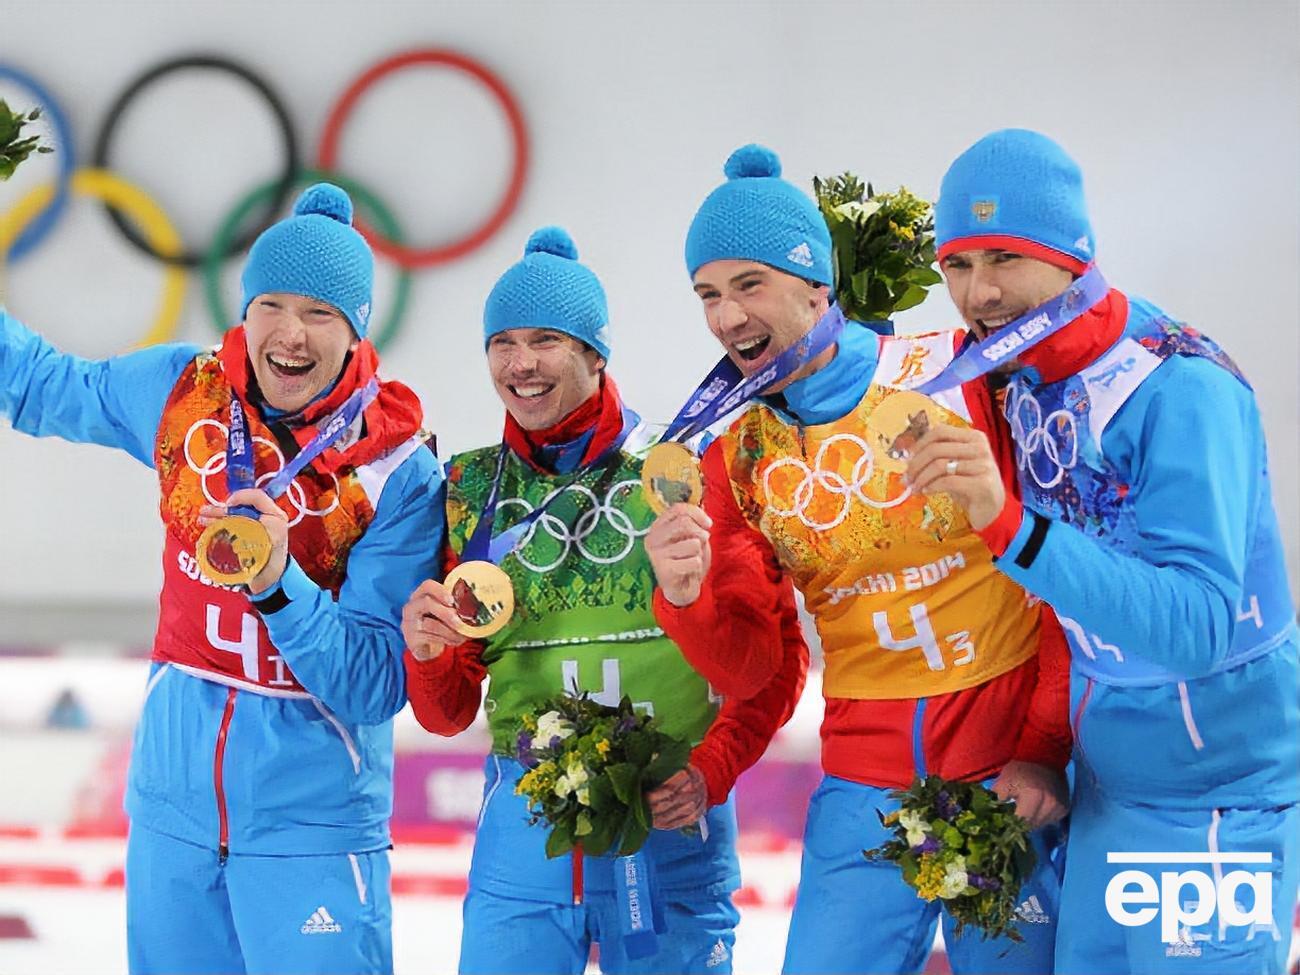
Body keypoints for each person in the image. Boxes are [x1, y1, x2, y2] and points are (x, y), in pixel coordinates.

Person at [646, 144, 1072, 975]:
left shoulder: (959, 372)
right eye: (708, 295)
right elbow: (757, 668)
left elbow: (1061, 571)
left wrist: (1045, 744)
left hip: (1006, 764)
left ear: (817, 285)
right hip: (862, 782)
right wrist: (687, 599)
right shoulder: (734, 455)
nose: (726, 317)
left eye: (748, 285)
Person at [0, 183, 444, 975]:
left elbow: (376, 683)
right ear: (245, 310)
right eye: (271, 304)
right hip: (172, 817)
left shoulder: (394, 466)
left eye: (319, 313)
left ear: (356, 331)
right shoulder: (186, 394)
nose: (290, 333)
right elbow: (41, 385)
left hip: (310, 830)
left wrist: (279, 583)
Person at [910, 127, 1300, 974]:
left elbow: (1197, 629)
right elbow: (1069, 604)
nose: (978, 292)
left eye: (1005, 257)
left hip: (1219, 800)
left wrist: (1011, 528)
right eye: (956, 265)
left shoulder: (1182, 387)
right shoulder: (1021, 372)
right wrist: (1046, 746)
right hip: (1108, 790)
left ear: (1071, 256)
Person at [400, 226, 807, 975]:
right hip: (524, 853)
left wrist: (712, 768)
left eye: (546, 340)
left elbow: (775, 662)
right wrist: (426, 656)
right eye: (502, 343)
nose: (521, 363)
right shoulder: (466, 489)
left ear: (596, 353)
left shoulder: (685, 467)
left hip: (670, 830)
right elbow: (447, 713)